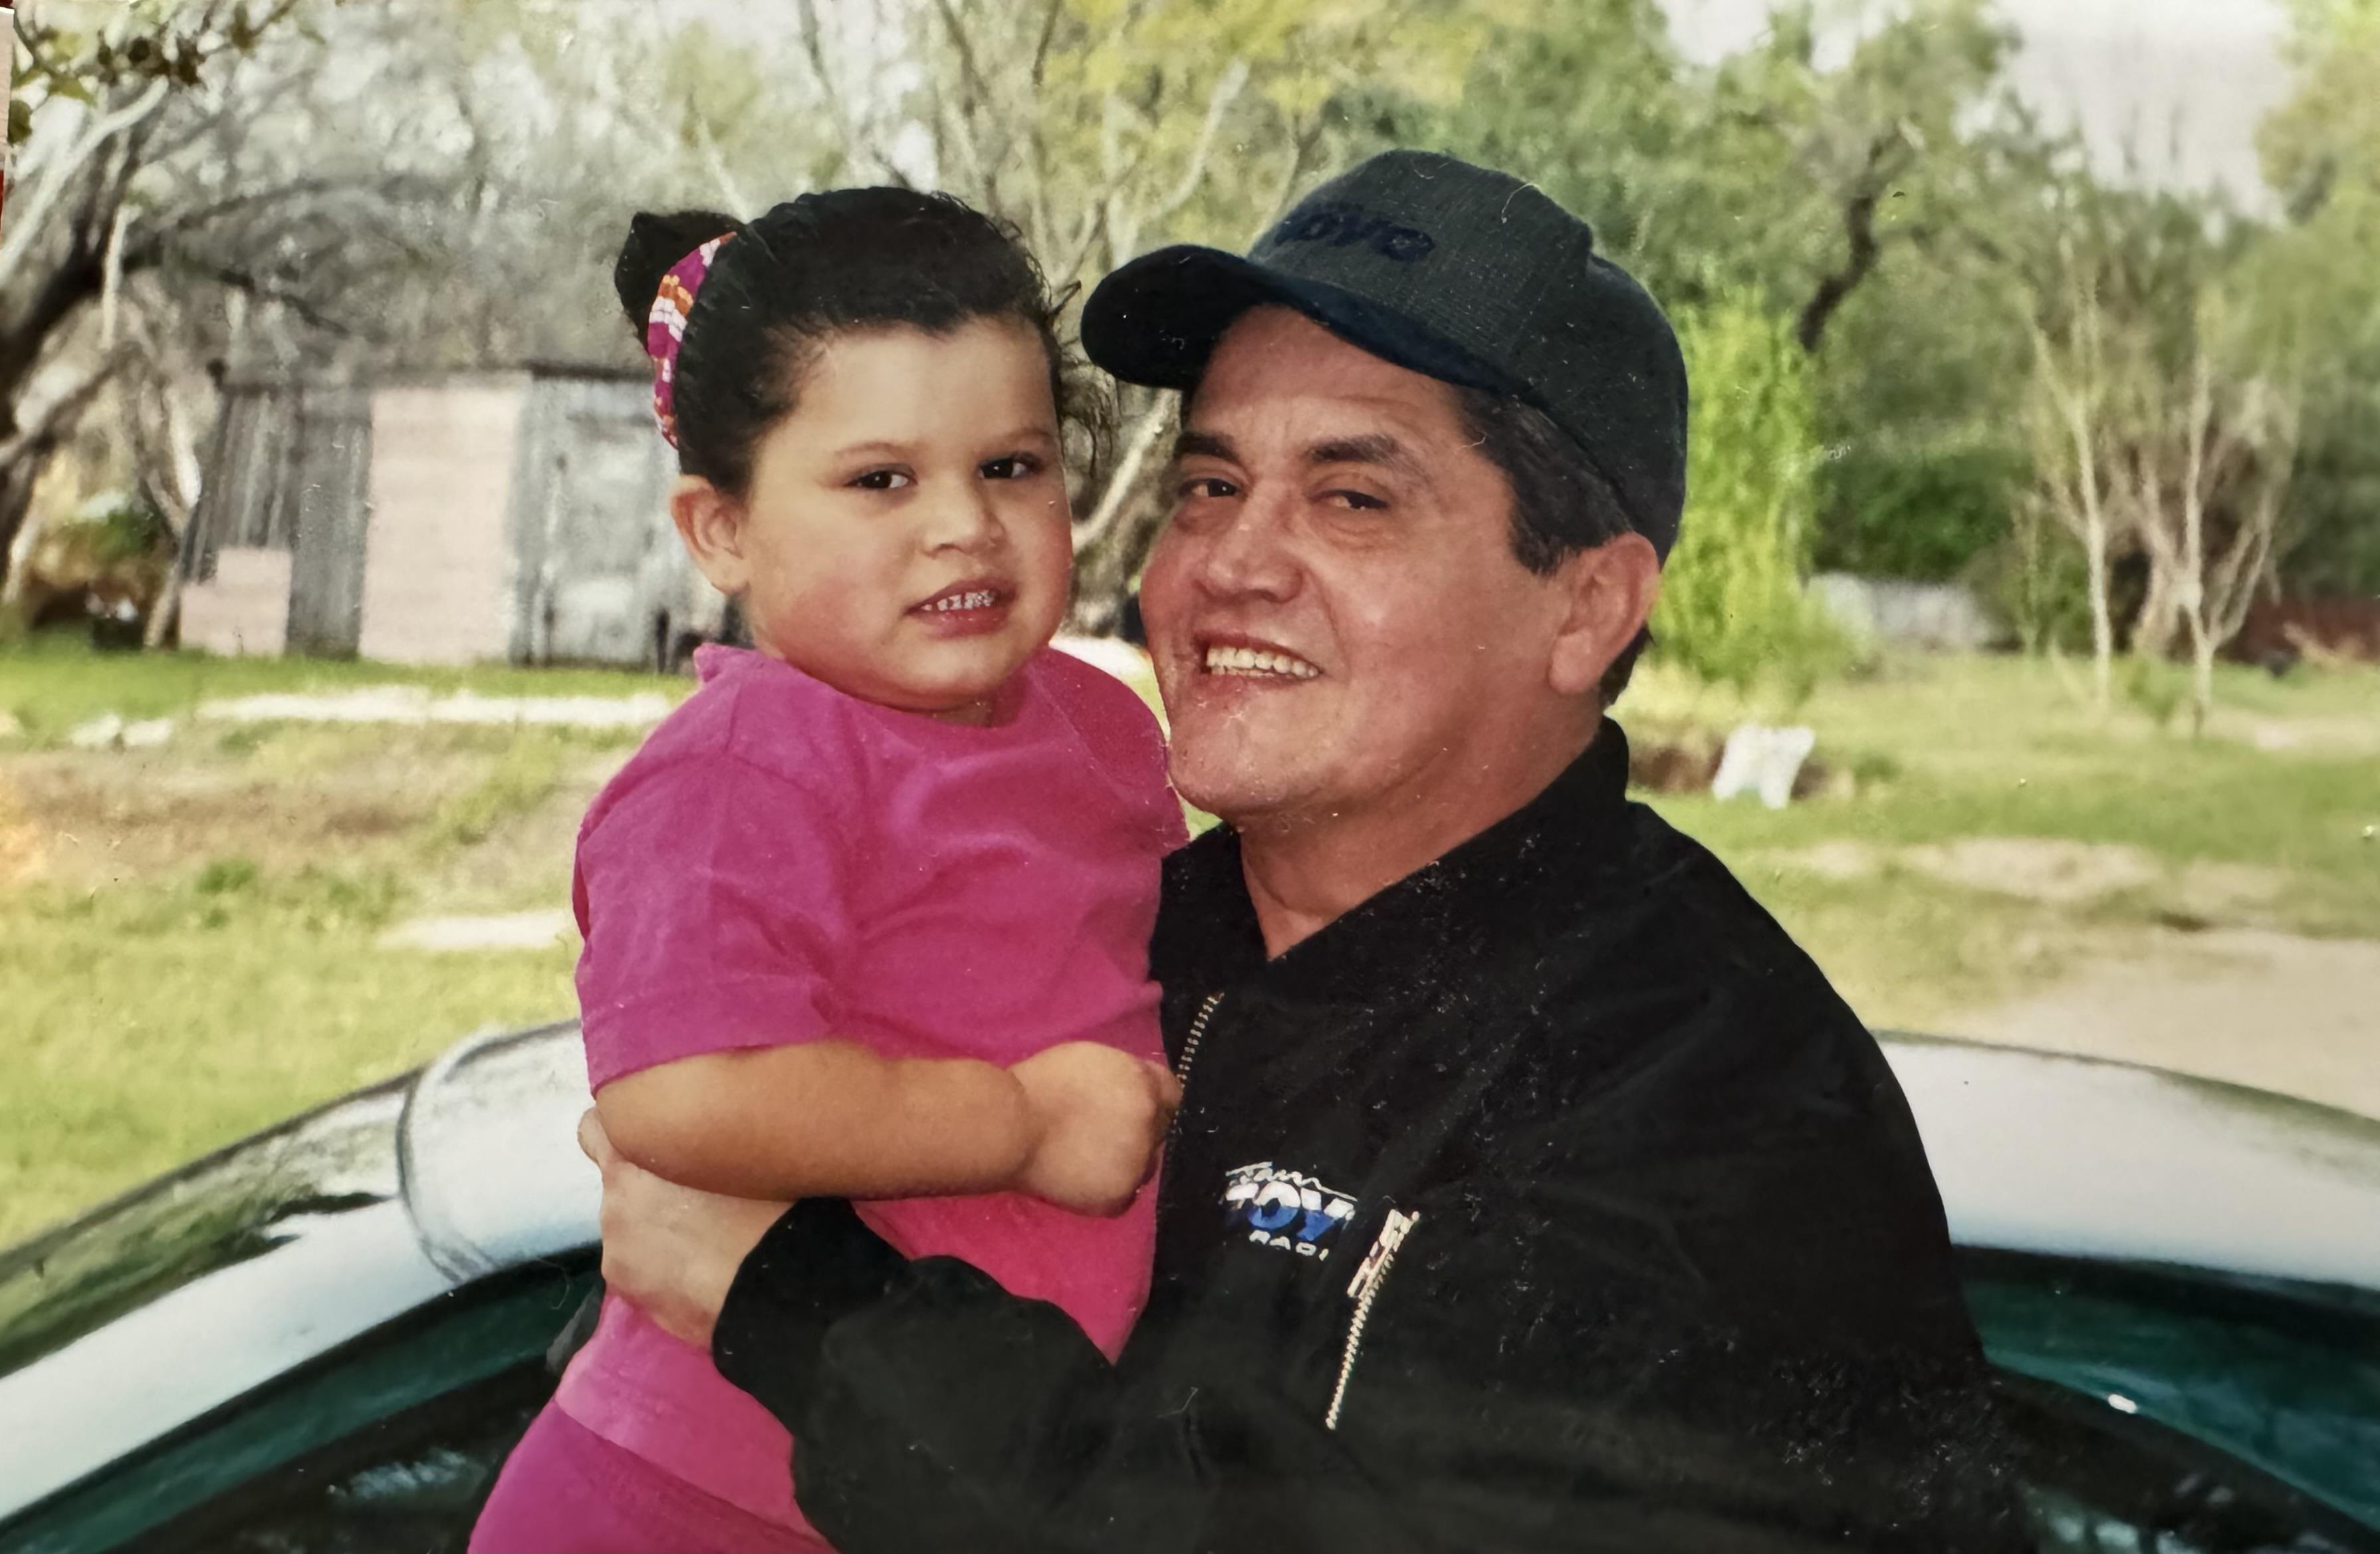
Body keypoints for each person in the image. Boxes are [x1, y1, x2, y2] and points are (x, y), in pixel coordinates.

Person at [582, 152, 2027, 1552]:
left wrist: (794, 1304)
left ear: (1585, 606)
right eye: (1207, 484)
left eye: (1352, 497)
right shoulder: (1128, 919)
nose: (1229, 562)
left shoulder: (1707, 1109)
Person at [468, 190, 1189, 1554]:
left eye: (1013, 466)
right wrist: (1024, 1124)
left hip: (957, 1468)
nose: (962, 526)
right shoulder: (748, 761)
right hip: (690, 1488)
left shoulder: (1100, 729)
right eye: (880, 480)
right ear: (721, 530)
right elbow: (683, 1091)